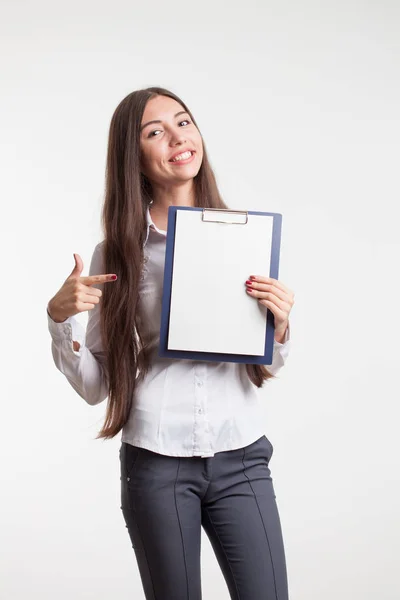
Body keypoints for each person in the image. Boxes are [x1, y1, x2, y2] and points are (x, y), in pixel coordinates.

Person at [47, 87, 295, 600]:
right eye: (155, 131)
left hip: (242, 456)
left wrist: (281, 325)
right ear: (133, 156)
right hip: (157, 462)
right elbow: (98, 387)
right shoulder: (117, 251)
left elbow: (265, 360)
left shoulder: (245, 237)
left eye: (184, 122)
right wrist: (58, 320)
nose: (178, 138)